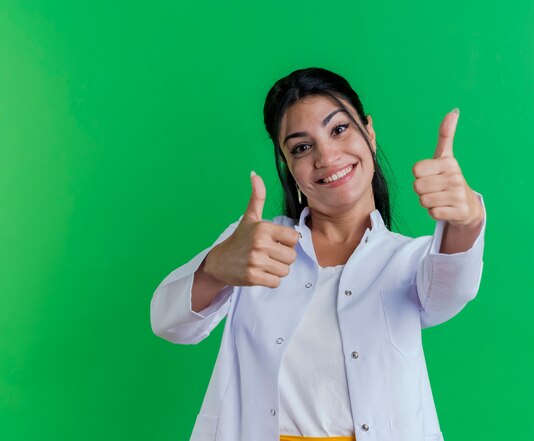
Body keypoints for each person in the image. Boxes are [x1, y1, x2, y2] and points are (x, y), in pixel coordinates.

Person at [150, 67, 486, 441]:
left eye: (339, 129)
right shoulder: (258, 245)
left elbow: (453, 287)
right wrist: (215, 270)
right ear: (288, 167)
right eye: (302, 147)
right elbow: (168, 322)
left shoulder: (409, 261)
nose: (326, 156)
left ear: (369, 132)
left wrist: (466, 220)